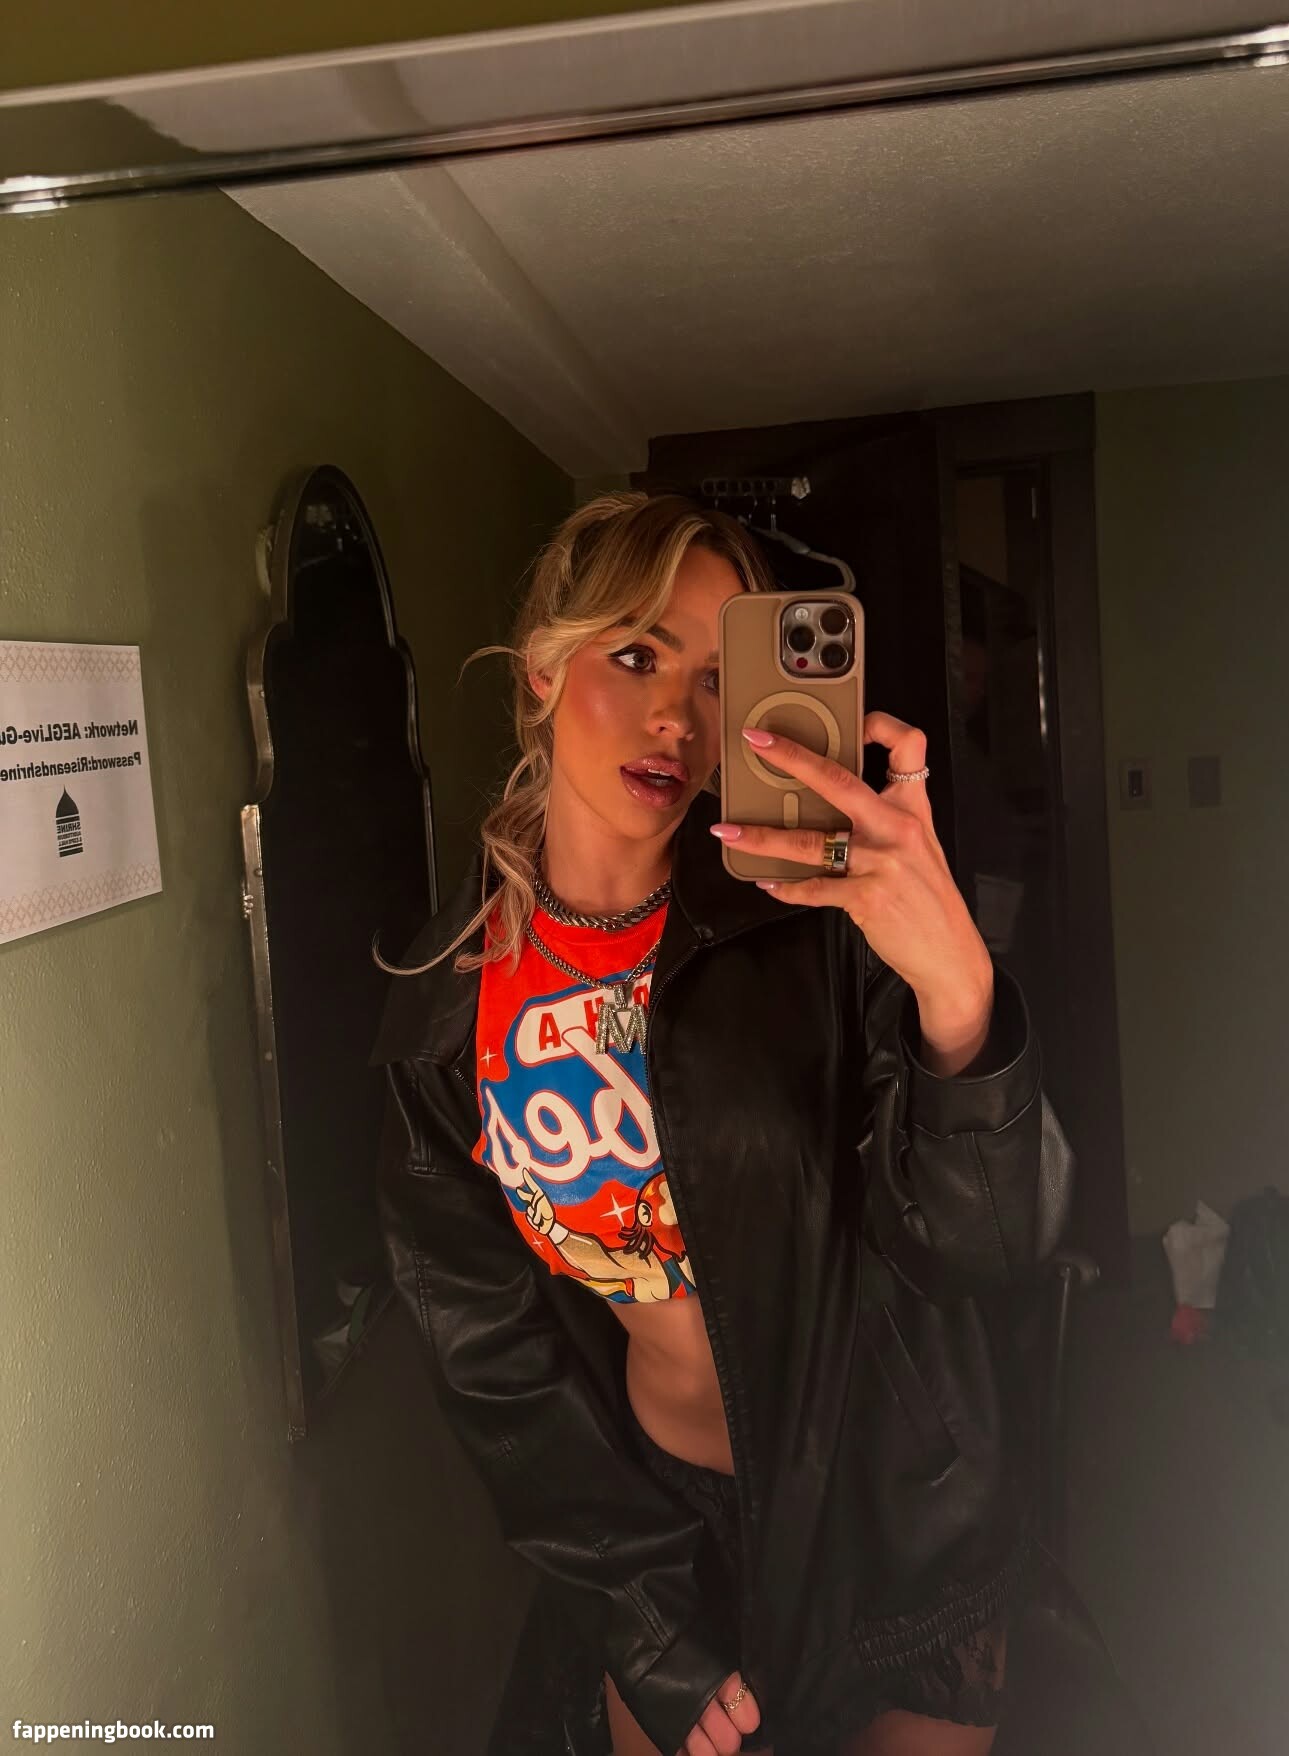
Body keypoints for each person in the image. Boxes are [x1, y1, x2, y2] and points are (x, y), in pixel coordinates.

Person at [371, 492, 1053, 1756]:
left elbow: (990, 1245)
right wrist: (637, 1607)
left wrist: (958, 991)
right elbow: (495, 1366)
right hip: (667, 1532)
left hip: (899, 1505)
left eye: (713, 673)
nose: (678, 719)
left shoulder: (812, 920)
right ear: (540, 671)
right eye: (637, 655)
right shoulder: (444, 1014)